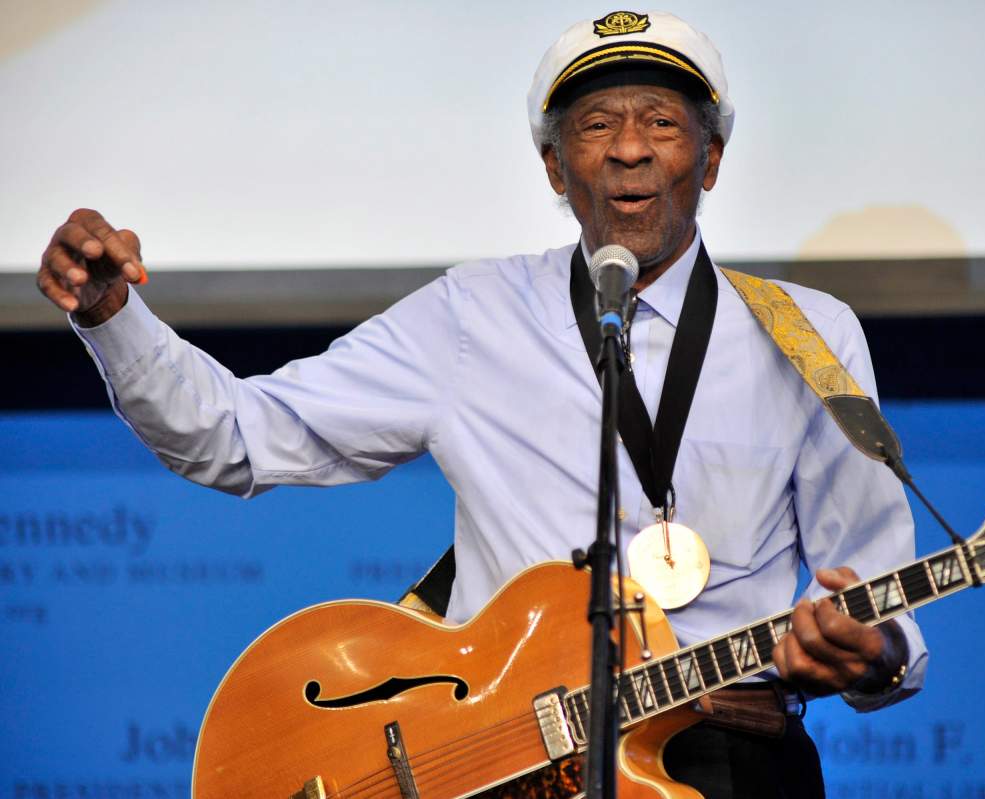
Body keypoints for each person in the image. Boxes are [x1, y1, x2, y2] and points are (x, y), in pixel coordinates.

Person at [36, 10, 926, 797]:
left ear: (713, 158)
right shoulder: (472, 316)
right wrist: (113, 316)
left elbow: (877, 598)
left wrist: (873, 653)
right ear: (554, 167)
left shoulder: (811, 337)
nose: (630, 148)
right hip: (509, 769)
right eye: (596, 125)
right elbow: (234, 436)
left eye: (662, 120)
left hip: (731, 758)